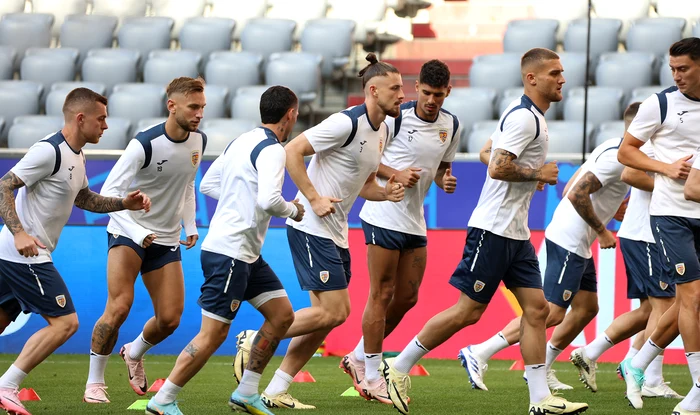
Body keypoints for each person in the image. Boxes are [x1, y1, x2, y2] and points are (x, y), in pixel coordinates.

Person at [383, 48, 588, 415]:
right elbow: (495, 166)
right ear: (532, 78)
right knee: (467, 312)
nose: (562, 79)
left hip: (516, 232)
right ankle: (397, 367)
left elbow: (485, 153)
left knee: (537, 311)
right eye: (555, 73)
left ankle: (540, 400)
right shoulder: (525, 118)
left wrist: (526, 175)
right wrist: (536, 173)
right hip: (492, 230)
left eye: (561, 72)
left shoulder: (527, 116)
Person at [233, 53, 405, 410]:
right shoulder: (345, 123)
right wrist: (312, 198)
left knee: (322, 322)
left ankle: (277, 387)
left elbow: (364, 183)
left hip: (336, 231)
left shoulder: (383, 129)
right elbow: (292, 151)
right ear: (373, 90)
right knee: (337, 311)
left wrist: (385, 192)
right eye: (395, 88)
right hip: (312, 226)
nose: (403, 94)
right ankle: (255, 338)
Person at [145, 86, 303, 415]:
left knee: (282, 315)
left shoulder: (242, 140)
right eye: (296, 113)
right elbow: (270, 201)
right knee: (213, 334)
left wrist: (239, 203)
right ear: (290, 114)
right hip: (231, 253)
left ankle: (246, 393)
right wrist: (294, 210)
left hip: (243, 253)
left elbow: (208, 184)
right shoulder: (274, 150)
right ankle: (162, 399)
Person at [461, 104, 637, 394]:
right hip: (571, 238)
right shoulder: (620, 158)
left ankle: (543, 365)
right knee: (550, 313)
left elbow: (572, 185)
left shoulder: (610, 146)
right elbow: (578, 193)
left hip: (577, 239)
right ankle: (480, 352)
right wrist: (602, 230)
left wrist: (610, 206)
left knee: (587, 308)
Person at [0, 88, 150, 415]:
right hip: (24, 253)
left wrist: (123, 203)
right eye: (101, 119)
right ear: (81, 119)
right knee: (65, 323)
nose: (106, 126)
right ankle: (7, 386)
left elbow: (84, 199)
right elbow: (4, 185)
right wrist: (20, 234)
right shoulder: (48, 151)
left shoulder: (77, 155)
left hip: (13, 254)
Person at [340, 59, 460, 403]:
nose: (432, 100)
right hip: (382, 213)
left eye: (439, 94)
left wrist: (444, 180)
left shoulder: (451, 124)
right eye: (426, 92)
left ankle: (359, 356)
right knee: (382, 293)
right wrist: (394, 172)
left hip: (414, 219)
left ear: (447, 91)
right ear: (417, 87)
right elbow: (367, 159)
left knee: (408, 297)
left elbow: (441, 167)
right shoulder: (396, 117)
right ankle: (374, 374)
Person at [84, 77, 207, 403]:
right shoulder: (145, 144)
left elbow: (186, 185)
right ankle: (94, 382)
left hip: (166, 239)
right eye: (193, 107)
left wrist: (189, 224)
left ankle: (134, 351)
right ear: (172, 106)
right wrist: (138, 232)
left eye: (202, 108)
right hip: (128, 233)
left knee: (170, 319)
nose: (199, 114)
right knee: (119, 307)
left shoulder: (199, 141)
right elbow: (109, 194)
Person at [617, 37, 700, 415]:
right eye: (673, 69)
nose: (676, 76)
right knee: (692, 299)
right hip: (671, 216)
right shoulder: (661, 103)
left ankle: (637, 362)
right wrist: (666, 168)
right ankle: (698, 389)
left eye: (683, 68)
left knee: (689, 304)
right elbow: (626, 152)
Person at [571, 134, 682, 400]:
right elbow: (630, 175)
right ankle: (650, 377)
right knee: (665, 306)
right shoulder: (659, 139)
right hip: (646, 234)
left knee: (649, 310)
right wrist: (671, 186)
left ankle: (593, 353)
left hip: (646, 233)